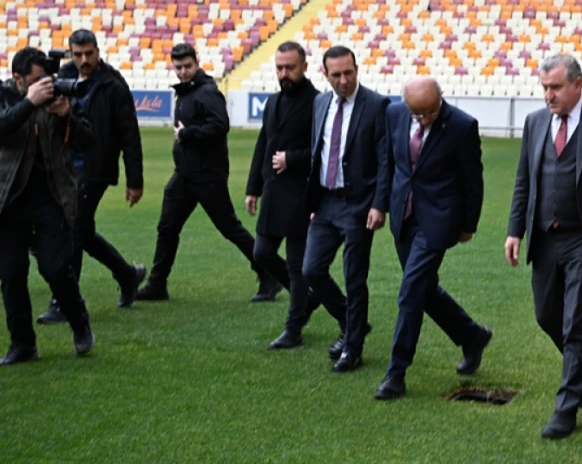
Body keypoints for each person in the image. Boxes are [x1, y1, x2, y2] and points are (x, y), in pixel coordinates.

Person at [505, 54, 582, 439]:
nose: (549, 95)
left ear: (578, 85)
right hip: (545, 236)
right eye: (545, 87)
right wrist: (515, 230)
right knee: (547, 316)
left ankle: (567, 407)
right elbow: (524, 180)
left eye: (556, 87)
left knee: (577, 322)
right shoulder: (535, 121)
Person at [375, 77, 493, 400]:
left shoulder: (462, 126)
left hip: (438, 221)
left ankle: (396, 373)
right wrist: (380, 205)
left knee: (411, 291)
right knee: (424, 290)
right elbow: (390, 164)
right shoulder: (394, 114)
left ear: (441, 98)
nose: (425, 119)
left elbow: (473, 181)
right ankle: (471, 335)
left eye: (430, 111)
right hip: (403, 216)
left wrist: (469, 224)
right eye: (418, 114)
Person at [137, 44, 276, 302]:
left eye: (187, 66)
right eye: (178, 67)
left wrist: (187, 134)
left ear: (196, 62)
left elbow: (221, 125)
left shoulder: (206, 92)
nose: (183, 72)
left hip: (207, 176)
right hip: (185, 175)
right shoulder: (189, 92)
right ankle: (157, 283)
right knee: (167, 227)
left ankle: (269, 273)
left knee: (230, 228)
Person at [37, 30, 146, 325]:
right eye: (78, 54)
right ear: (71, 53)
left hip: (95, 168)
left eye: (89, 53)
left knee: (73, 231)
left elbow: (129, 134)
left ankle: (63, 302)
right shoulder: (61, 78)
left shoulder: (113, 85)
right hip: (65, 167)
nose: (84, 60)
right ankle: (127, 274)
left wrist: (135, 180)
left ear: (98, 51)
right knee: (81, 232)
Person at [0, 47, 96, 364]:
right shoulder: (5, 96)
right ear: (17, 79)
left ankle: (80, 323)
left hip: (52, 197)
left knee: (55, 267)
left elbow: (88, 140)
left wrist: (67, 114)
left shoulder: (57, 99)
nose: (46, 85)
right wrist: (30, 103)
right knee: (11, 274)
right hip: (9, 200)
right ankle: (23, 343)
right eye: (36, 80)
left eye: (47, 79)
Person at [303, 45, 391, 373]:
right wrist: (314, 201)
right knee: (311, 269)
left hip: (358, 204)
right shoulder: (320, 102)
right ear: (324, 75)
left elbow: (385, 160)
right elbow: (318, 151)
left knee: (354, 277)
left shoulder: (376, 105)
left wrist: (378, 205)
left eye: (348, 72)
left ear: (357, 69)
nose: (343, 80)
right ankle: (351, 321)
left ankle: (352, 348)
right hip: (325, 202)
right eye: (336, 74)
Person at [245, 42, 322, 350]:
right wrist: (253, 188)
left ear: (304, 66)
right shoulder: (273, 101)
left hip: (301, 193)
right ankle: (306, 299)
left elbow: (322, 151)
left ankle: (294, 328)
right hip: (274, 191)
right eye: (279, 68)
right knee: (261, 253)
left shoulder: (318, 103)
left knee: (295, 264)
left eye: (290, 67)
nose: (284, 73)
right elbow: (263, 144)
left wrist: (293, 158)